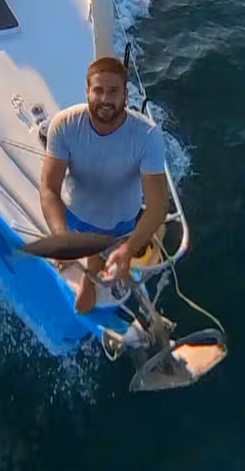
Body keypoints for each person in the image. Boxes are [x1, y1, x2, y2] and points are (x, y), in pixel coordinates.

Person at [38, 57, 168, 315]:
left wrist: (128, 250)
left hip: (121, 225)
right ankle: (87, 268)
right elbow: (48, 188)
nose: (105, 99)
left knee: (108, 244)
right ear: (87, 91)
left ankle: (92, 274)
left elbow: (158, 206)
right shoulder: (64, 125)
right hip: (75, 218)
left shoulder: (148, 135)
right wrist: (60, 236)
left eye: (113, 91)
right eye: (98, 90)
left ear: (125, 93)